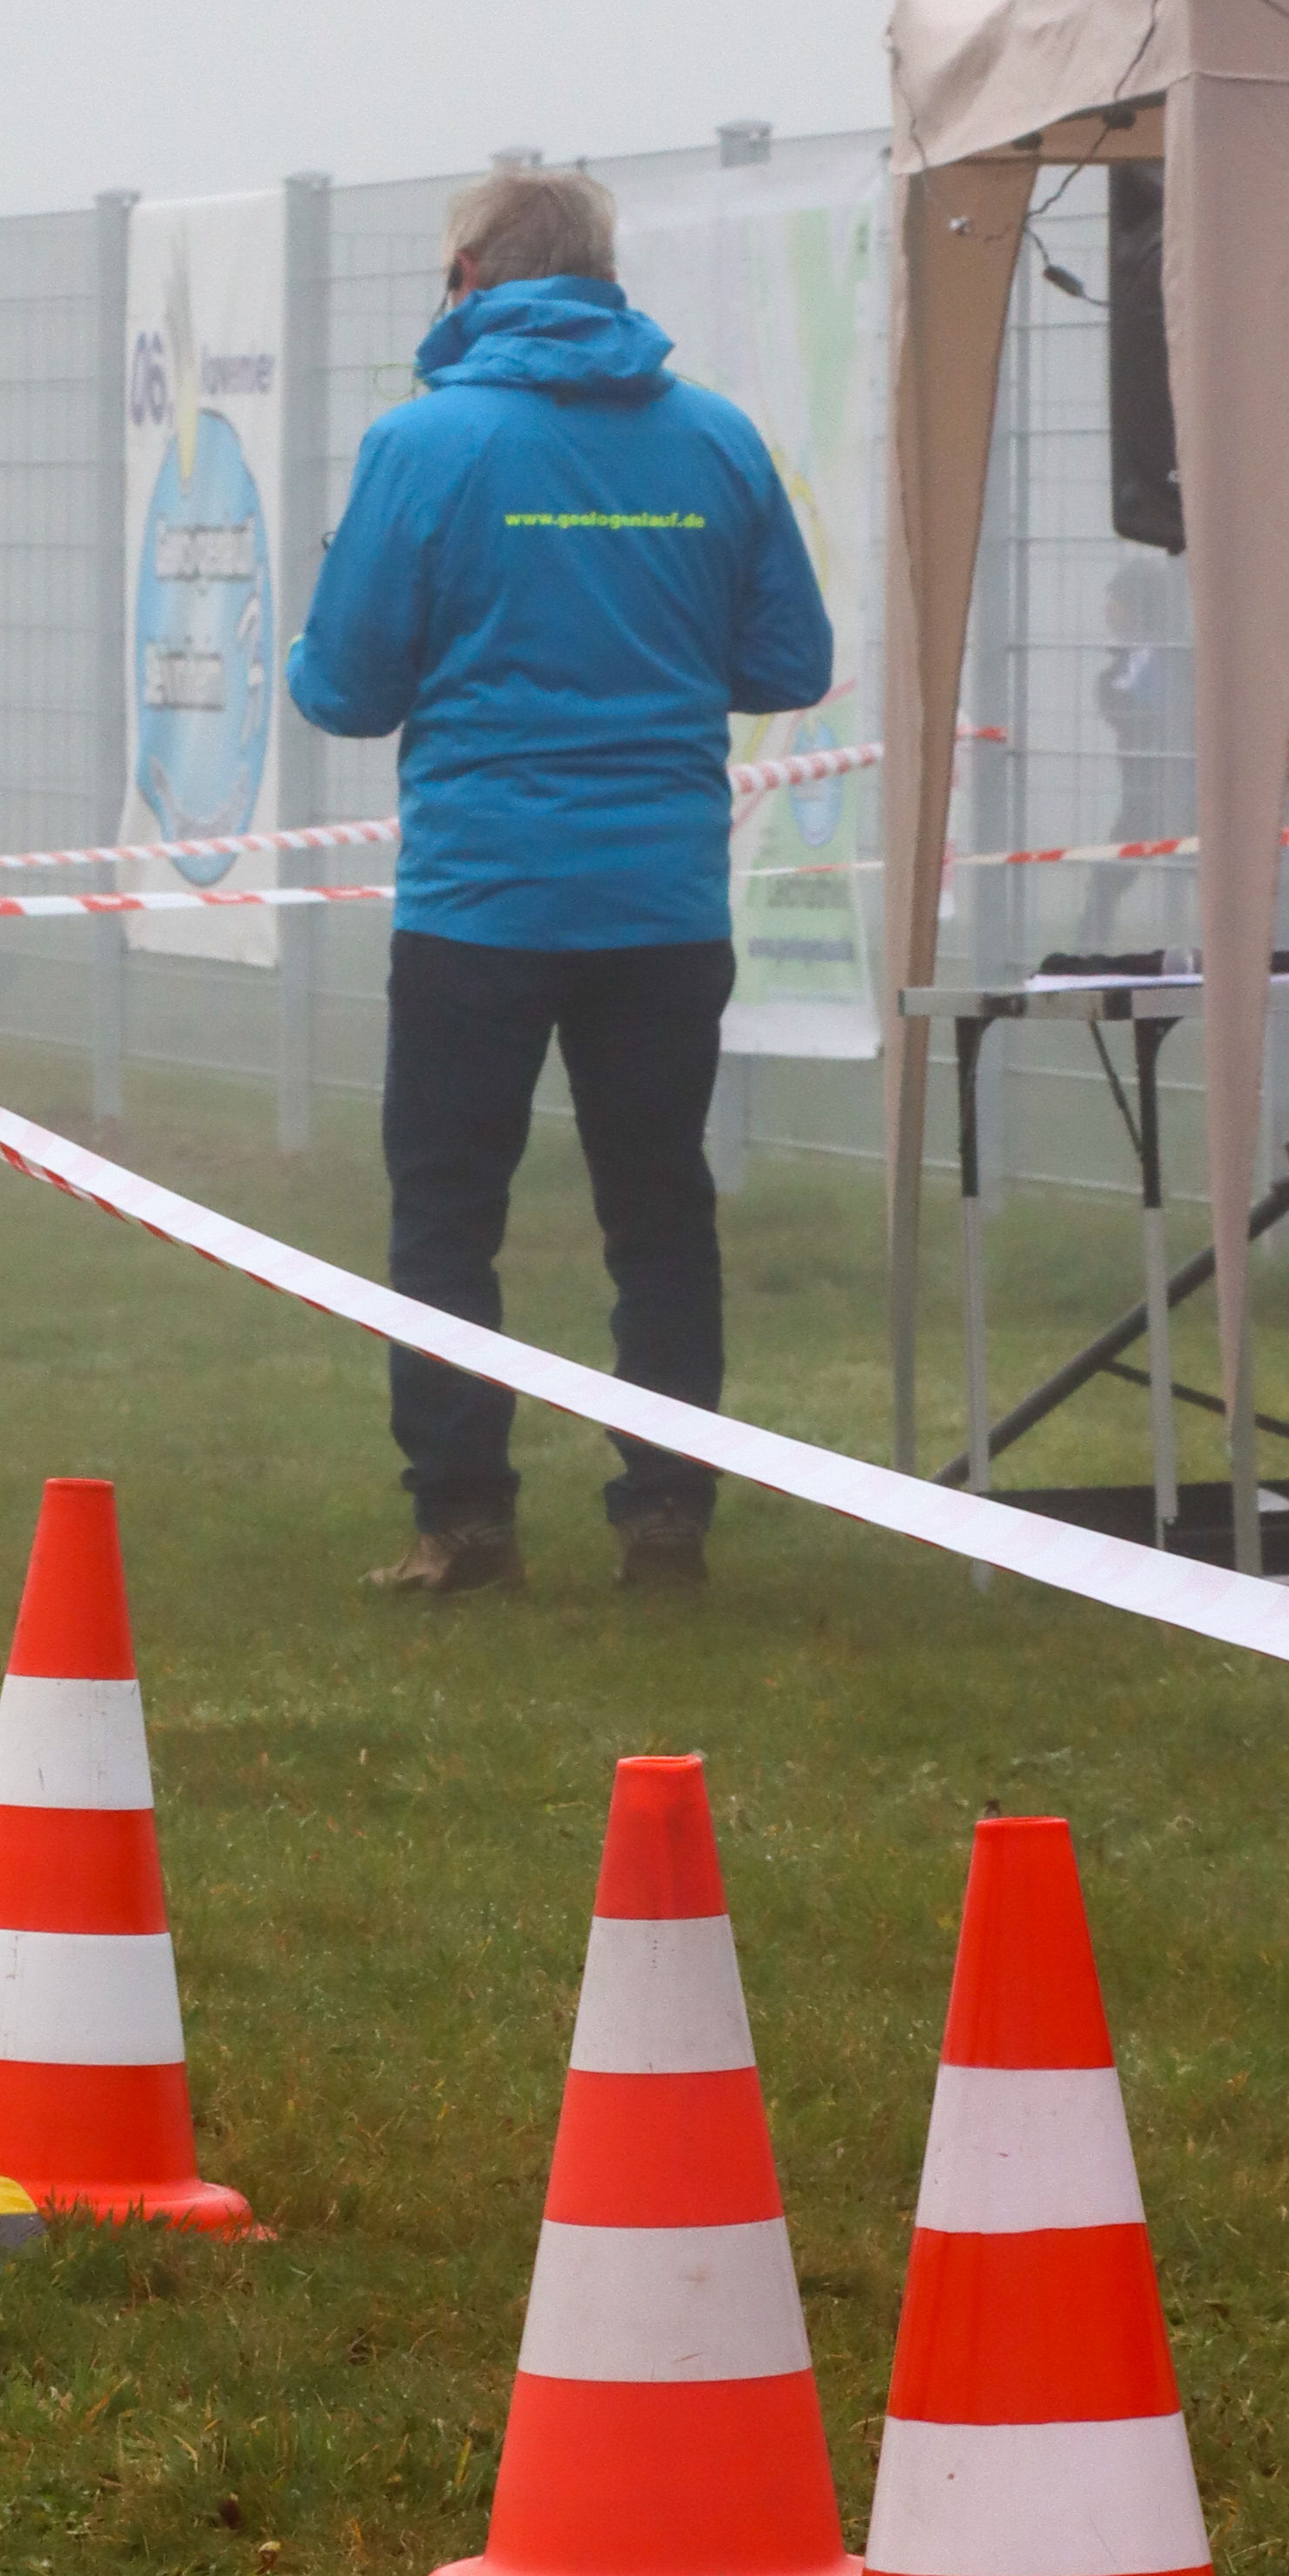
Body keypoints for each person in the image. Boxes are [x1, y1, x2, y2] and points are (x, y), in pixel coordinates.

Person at [285, 163, 832, 1601]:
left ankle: (464, 1521)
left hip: (482, 899)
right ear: (603, 275)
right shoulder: (716, 439)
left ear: (467, 274)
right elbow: (791, 663)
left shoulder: (425, 444)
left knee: (447, 1216)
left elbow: (346, 689)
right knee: (660, 1216)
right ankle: (667, 1518)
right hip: (662, 902)